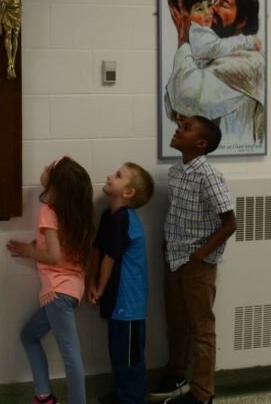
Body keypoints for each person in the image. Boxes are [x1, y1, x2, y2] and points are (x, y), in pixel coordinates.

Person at [149, 116, 237, 404]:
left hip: (197, 264)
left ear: (201, 144)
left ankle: (203, 392)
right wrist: (168, 243)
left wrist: (200, 255)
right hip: (174, 257)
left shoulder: (208, 175)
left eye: (186, 128)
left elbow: (230, 223)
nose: (178, 129)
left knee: (201, 328)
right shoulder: (176, 172)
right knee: (176, 322)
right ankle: (176, 374)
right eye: (180, 125)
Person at [7, 156, 94, 404]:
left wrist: (28, 251)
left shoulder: (49, 211)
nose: (44, 169)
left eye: (49, 169)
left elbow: (54, 257)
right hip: (69, 289)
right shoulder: (76, 212)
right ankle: (44, 396)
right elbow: (63, 250)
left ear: (56, 187)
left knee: (70, 355)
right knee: (28, 335)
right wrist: (39, 245)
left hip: (58, 293)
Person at [164, 0, 265, 147]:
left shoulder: (250, 62)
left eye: (223, 4)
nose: (213, 9)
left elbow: (188, 99)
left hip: (232, 152)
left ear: (241, 21)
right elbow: (172, 106)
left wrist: (183, 42)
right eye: (214, 0)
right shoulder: (207, 49)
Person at [88, 162, 155, 404]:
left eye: (117, 176)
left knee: (129, 358)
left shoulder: (124, 219)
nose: (109, 176)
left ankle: (134, 399)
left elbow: (110, 258)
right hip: (118, 301)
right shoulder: (109, 215)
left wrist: (99, 287)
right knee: (118, 353)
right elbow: (97, 250)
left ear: (128, 193)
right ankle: (124, 396)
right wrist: (90, 283)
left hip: (129, 303)